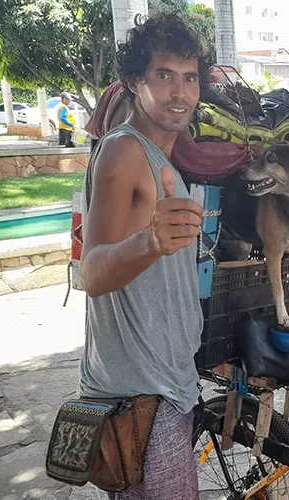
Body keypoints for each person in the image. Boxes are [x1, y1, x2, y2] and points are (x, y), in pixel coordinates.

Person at [77, 13, 213, 499]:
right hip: (141, 394)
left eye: (189, 77)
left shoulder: (164, 159)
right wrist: (150, 242)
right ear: (136, 81)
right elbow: (91, 273)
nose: (180, 92)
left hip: (164, 385)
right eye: (164, 75)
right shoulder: (124, 151)